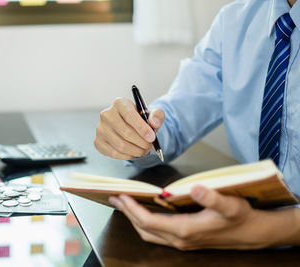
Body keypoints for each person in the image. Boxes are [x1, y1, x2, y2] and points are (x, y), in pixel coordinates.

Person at [94, 0, 300, 250]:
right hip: (240, 221)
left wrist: (271, 230)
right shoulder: (235, 20)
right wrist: (137, 134)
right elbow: (179, 112)